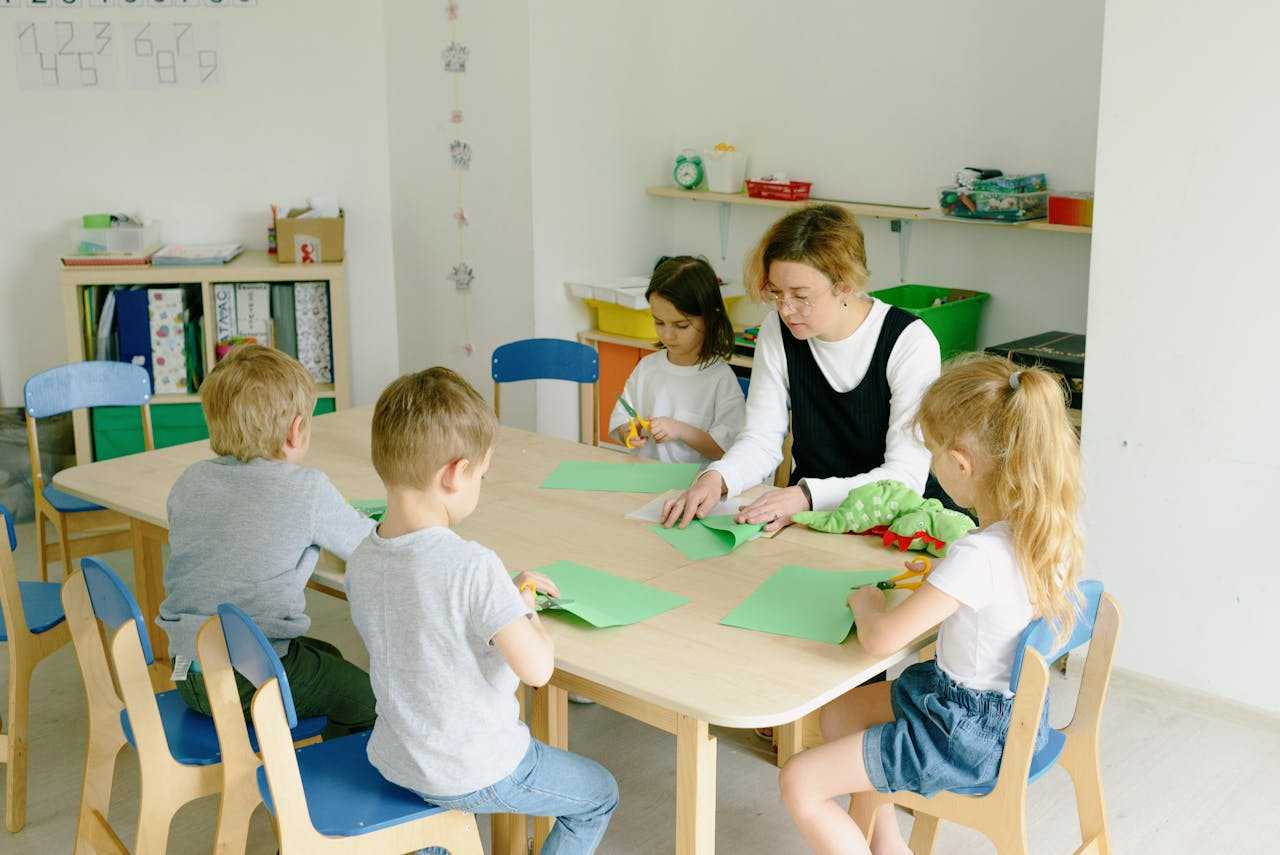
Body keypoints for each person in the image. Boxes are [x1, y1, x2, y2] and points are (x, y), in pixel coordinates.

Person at [777, 354, 1084, 854]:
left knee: (799, 782)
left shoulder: (980, 554)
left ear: (959, 464)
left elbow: (880, 640)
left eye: (934, 451)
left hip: (961, 739)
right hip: (1005, 718)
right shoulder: (1048, 531)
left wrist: (868, 602)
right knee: (839, 716)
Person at [345, 367, 618, 854]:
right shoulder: (472, 565)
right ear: (454, 473)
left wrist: (497, 599)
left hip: (399, 756)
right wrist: (523, 607)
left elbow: (429, 622)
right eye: (482, 476)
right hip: (475, 767)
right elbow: (537, 670)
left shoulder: (364, 556)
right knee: (598, 795)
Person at [661, 204, 947, 534]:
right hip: (808, 514)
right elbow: (761, 439)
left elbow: (906, 476)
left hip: (895, 523)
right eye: (777, 294)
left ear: (845, 285)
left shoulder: (909, 341)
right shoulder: (777, 331)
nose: (785, 309)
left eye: (801, 296)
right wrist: (717, 477)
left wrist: (806, 495)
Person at [158, 344, 377, 736]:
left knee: (327, 656)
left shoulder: (189, 481)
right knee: (369, 702)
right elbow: (368, 545)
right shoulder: (306, 489)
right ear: (297, 431)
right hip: (247, 677)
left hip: (186, 670)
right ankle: (324, 783)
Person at [607, 255, 745, 465]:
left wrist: (680, 430)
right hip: (642, 481)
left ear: (711, 318)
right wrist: (628, 432)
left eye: (681, 326)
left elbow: (724, 451)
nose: (668, 335)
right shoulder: (647, 368)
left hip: (694, 490)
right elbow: (622, 418)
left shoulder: (720, 378)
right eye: (659, 322)